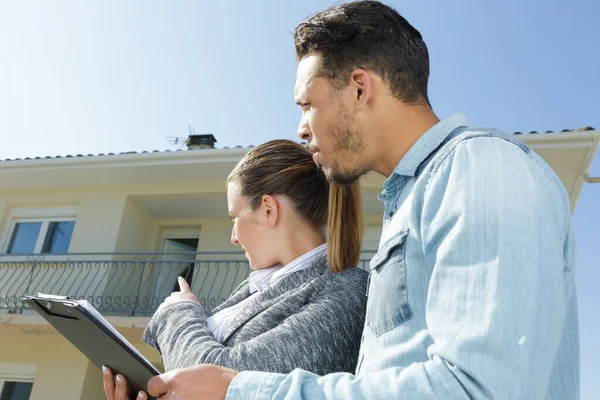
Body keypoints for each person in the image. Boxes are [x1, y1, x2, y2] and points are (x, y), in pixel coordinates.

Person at [142, 1, 580, 399]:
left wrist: (239, 391)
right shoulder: (411, 204)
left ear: (358, 88)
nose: (301, 128)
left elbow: (478, 389)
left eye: (307, 104)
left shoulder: (481, 168)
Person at [102, 140, 368, 399]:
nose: (234, 237)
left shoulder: (345, 291)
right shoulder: (255, 288)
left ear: (268, 209)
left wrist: (179, 310)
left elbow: (215, 377)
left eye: (234, 217)